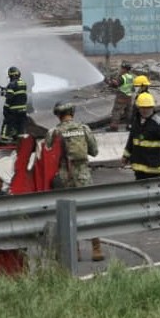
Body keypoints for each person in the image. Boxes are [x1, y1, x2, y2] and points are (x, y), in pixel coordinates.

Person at [49, 100, 105, 261]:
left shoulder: (54, 132)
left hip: (64, 178)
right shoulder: (83, 128)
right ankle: (97, 249)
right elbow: (94, 151)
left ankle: (75, 252)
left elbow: (49, 156)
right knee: (89, 210)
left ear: (58, 116)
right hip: (83, 176)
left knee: (68, 214)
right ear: (72, 113)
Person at [121, 92, 160, 180]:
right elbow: (131, 141)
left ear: (152, 107)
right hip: (138, 168)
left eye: (148, 107)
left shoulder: (158, 123)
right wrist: (125, 156)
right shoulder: (136, 122)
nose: (145, 110)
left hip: (153, 169)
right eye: (143, 107)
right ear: (138, 107)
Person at [0, 66, 29, 146]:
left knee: (7, 123)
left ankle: (4, 139)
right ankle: (19, 139)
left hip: (13, 109)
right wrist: (5, 89)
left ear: (11, 75)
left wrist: (4, 94)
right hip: (22, 109)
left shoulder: (12, 84)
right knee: (20, 124)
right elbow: (16, 92)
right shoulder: (23, 83)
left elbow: (10, 96)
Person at [107, 61, 133, 132]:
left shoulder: (122, 77)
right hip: (129, 97)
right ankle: (129, 126)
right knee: (128, 112)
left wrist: (109, 82)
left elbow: (116, 84)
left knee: (116, 111)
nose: (120, 69)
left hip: (121, 97)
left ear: (125, 69)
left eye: (122, 68)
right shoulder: (130, 76)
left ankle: (114, 127)